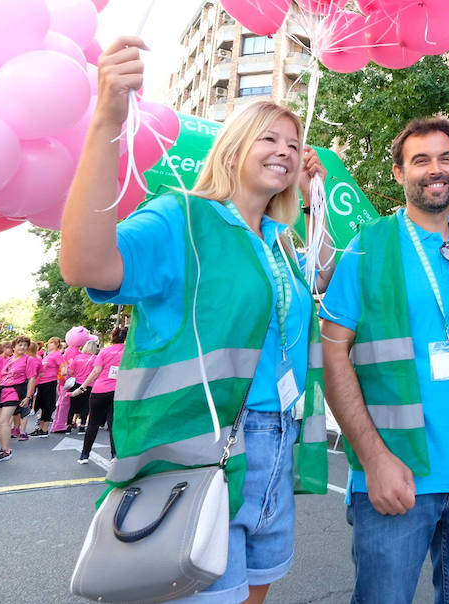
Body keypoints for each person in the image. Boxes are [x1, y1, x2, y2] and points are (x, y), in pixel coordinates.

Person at [61, 35, 334, 604]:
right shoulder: (181, 216)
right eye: (269, 137)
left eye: (294, 141)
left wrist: (316, 196)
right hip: (201, 446)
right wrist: (107, 117)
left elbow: (323, 280)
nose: (285, 149)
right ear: (233, 146)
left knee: (253, 592)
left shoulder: (280, 244)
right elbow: (87, 263)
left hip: (278, 441)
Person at [321, 116, 449, 604]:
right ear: (398, 173)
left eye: (446, 158)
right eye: (421, 160)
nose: (436, 169)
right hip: (397, 475)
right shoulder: (368, 246)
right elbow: (331, 350)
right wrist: (373, 459)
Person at [71, 327, 125, 463]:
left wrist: (82, 388)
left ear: (112, 337)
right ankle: (114, 455)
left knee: (93, 424)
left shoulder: (105, 351)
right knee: (114, 424)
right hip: (119, 391)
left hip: (99, 390)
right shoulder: (129, 352)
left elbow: (96, 372)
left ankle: (84, 455)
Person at [0, 335, 37, 462]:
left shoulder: (29, 360)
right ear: (14, 347)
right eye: (20, 344)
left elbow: (32, 378)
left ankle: (7, 450)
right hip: (2, 390)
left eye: (25, 345)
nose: (23, 347)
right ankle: (3, 449)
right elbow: (2, 375)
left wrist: (28, 396)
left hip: (15, 391)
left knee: (4, 421)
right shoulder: (9, 359)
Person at [31, 336, 63, 437]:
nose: (50, 344)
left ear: (57, 345)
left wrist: (64, 372)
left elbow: (62, 366)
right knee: (41, 404)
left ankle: (44, 429)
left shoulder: (57, 355)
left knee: (47, 405)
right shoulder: (48, 355)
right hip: (42, 382)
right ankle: (40, 428)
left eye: (52, 343)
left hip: (50, 382)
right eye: (49, 342)